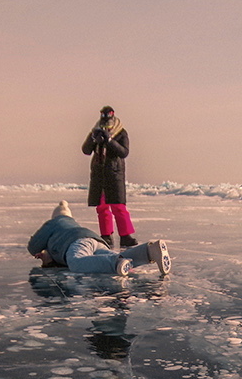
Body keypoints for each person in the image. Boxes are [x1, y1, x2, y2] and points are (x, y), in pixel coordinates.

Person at [28, 201, 170, 276]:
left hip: (76, 243)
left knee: (76, 262)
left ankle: (114, 263)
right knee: (116, 256)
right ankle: (150, 251)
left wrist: (44, 250)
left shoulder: (54, 223)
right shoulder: (72, 224)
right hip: (94, 240)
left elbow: (33, 246)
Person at [81, 105, 137, 247]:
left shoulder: (121, 133)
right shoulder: (95, 131)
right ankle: (106, 235)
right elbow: (86, 150)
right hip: (99, 173)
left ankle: (125, 236)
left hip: (114, 173)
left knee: (118, 206)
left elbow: (124, 152)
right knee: (102, 207)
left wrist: (110, 142)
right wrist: (93, 139)